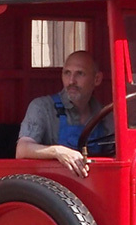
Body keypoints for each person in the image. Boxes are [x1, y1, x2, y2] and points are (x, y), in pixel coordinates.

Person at [15, 50, 110, 178]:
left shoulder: (105, 114)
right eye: (67, 73)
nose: (71, 81)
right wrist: (57, 151)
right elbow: (22, 149)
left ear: (97, 79)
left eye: (79, 74)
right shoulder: (42, 107)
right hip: (53, 188)